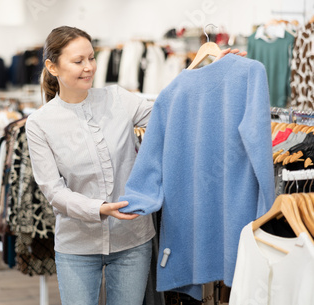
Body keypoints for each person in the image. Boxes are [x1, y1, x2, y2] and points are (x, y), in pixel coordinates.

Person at [25, 26, 247, 304]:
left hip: (132, 240)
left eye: (91, 58)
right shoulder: (39, 124)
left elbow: (172, 114)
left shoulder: (117, 98)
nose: (89, 68)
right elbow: (54, 191)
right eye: (78, 61)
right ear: (52, 66)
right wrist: (99, 209)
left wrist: (210, 72)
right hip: (77, 245)